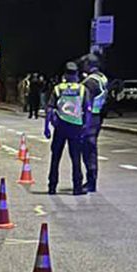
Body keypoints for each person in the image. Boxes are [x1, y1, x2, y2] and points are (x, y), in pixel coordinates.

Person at [47, 66, 90, 195]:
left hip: (60, 127)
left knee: (55, 158)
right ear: (77, 75)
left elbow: (49, 108)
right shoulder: (82, 89)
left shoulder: (58, 88)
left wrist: (47, 127)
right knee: (76, 158)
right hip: (76, 127)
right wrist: (86, 126)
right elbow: (87, 109)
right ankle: (77, 187)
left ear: (65, 75)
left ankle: (52, 187)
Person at [78, 52, 109, 194]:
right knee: (91, 149)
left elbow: (86, 103)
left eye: (84, 64)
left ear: (89, 65)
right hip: (98, 117)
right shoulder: (102, 78)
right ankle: (91, 180)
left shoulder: (90, 82)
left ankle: (91, 182)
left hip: (90, 119)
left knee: (88, 150)